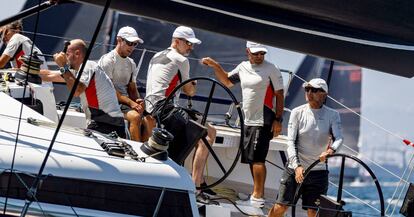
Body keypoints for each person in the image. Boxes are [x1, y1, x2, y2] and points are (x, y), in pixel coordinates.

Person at [202, 41, 285, 208]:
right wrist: (215, 65)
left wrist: (278, 119)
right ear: (248, 52)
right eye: (256, 53)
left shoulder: (271, 69)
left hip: (263, 118)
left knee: (258, 159)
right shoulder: (242, 67)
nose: (260, 56)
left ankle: (258, 197)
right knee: (251, 158)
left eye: (262, 53)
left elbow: (280, 94)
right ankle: (256, 195)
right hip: (247, 119)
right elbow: (227, 81)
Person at [144, 26, 216, 198]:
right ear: (176, 41)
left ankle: (196, 182)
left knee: (204, 131)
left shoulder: (156, 55)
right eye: (188, 43)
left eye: (192, 44)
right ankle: (196, 187)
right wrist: (192, 87)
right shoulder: (181, 60)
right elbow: (190, 91)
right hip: (167, 109)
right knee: (209, 134)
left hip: (151, 107)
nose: (191, 47)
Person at [267, 78, 344, 217]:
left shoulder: (333, 115)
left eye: (313, 90)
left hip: (318, 172)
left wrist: (330, 151)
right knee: (280, 207)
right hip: (294, 169)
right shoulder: (297, 112)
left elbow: (339, 138)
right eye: (307, 89)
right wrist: (297, 167)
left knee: (313, 212)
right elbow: (290, 142)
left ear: (324, 94)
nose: (309, 92)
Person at [41, 39, 126, 138]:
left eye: (67, 55)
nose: (65, 58)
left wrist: (63, 65)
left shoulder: (87, 66)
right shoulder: (77, 72)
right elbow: (50, 75)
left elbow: (76, 91)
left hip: (107, 124)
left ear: (77, 54)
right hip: (105, 123)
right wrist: (23, 70)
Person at [99, 26, 147, 142]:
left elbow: (132, 89)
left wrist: (138, 102)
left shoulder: (131, 64)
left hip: (124, 103)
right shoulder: (108, 60)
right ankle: (136, 153)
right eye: (129, 43)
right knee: (135, 117)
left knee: (150, 120)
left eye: (135, 44)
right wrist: (131, 103)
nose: (132, 47)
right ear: (119, 40)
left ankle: (147, 154)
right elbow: (108, 90)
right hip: (108, 102)